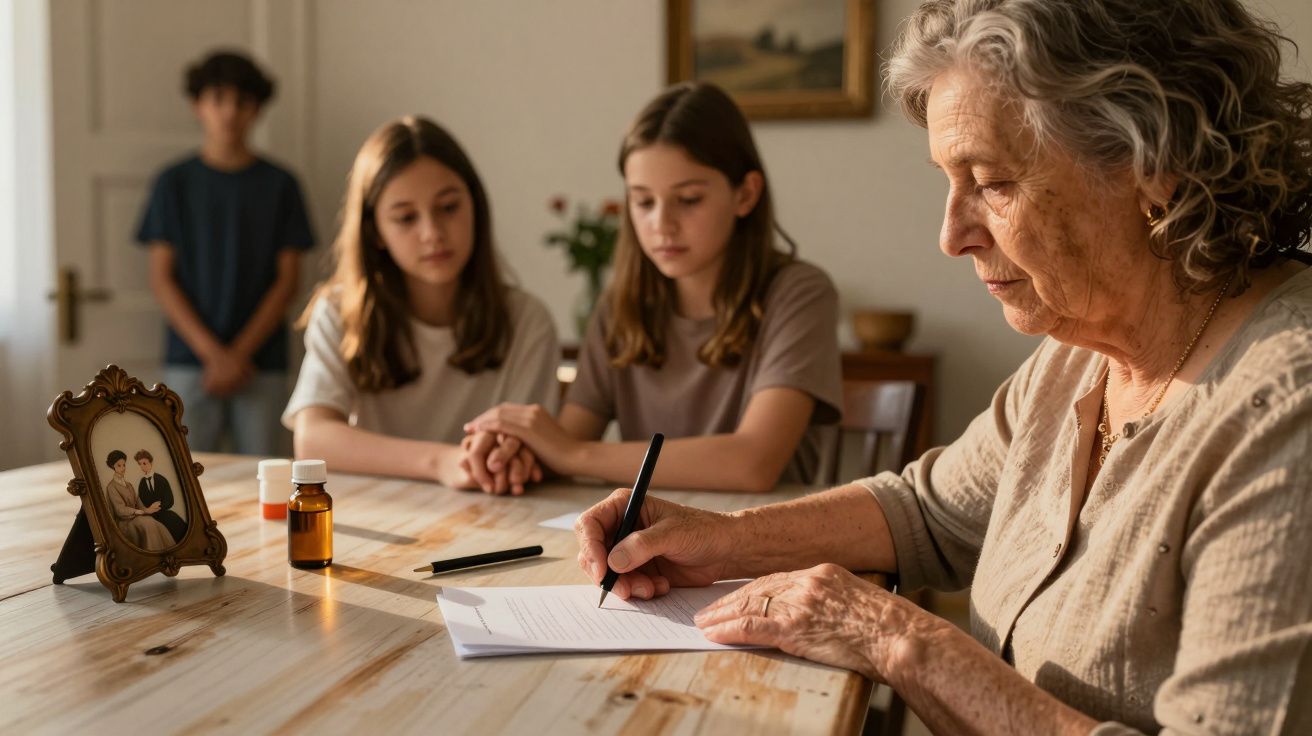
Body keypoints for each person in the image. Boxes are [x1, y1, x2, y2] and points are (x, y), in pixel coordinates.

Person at [573, 1, 1312, 732]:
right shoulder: (1078, 354)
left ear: (1153, 166)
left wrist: (898, 641)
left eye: (991, 181)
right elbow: (924, 513)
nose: (951, 235)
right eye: (948, 181)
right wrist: (717, 537)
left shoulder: (1286, 409)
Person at [465, 83, 842, 493]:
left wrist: (571, 453)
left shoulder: (800, 294)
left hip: (765, 532)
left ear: (746, 194)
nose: (662, 225)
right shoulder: (619, 306)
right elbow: (566, 440)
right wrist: (512, 454)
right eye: (643, 202)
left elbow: (753, 464)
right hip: (647, 530)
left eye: (689, 199)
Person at [282, 116, 559, 493]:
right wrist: (442, 462)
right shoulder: (338, 312)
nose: (433, 233)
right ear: (375, 232)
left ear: (475, 206)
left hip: (493, 508)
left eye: (448, 207)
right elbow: (313, 439)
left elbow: (527, 447)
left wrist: (501, 456)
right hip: (377, 510)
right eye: (406, 218)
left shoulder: (527, 320)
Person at [137, 50, 315, 455]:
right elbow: (161, 278)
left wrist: (237, 355)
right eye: (218, 99)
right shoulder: (173, 183)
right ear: (197, 105)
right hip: (190, 360)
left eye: (243, 101)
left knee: (265, 475)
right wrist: (214, 355)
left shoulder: (281, 184)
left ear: (258, 109)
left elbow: (288, 282)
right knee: (181, 474)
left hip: (261, 361)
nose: (230, 112)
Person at [103, 450, 174, 552]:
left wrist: (148, 509)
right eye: (119, 465)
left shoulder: (129, 485)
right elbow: (120, 510)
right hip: (125, 522)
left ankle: (167, 552)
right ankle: (152, 554)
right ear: (112, 467)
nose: (123, 468)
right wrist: (137, 511)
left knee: (153, 522)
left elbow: (138, 502)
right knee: (147, 524)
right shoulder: (111, 487)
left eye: (124, 465)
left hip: (136, 517)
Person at [134, 449, 186, 543]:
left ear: (151, 462)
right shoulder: (142, 483)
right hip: (150, 515)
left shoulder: (161, 479)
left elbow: (170, 500)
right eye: (140, 464)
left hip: (163, 512)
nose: (142, 466)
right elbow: (142, 501)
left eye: (144, 463)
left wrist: (159, 506)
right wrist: (149, 509)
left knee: (175, 522)